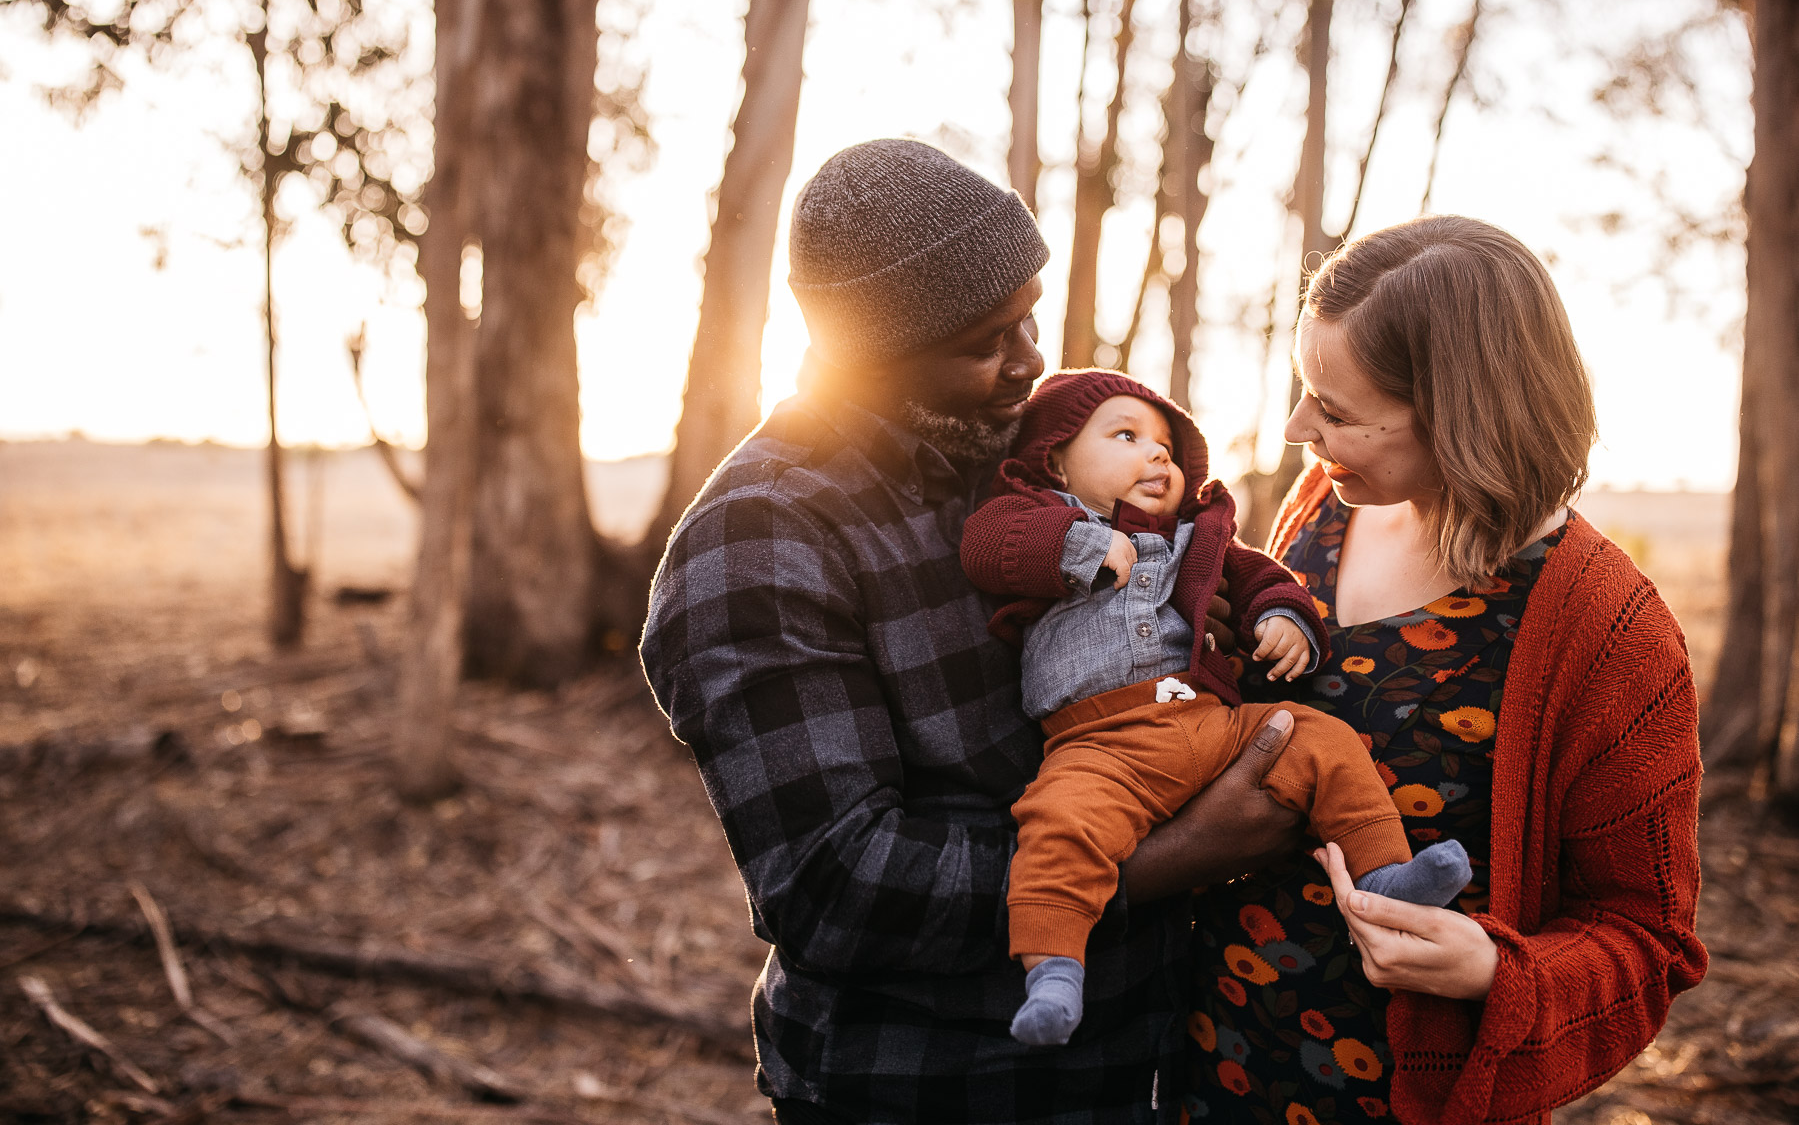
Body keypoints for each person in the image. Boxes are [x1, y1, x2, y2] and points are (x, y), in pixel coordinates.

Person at [640, 139, 1286, 1124]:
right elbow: (840, 886)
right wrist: (1173, 852)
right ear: (868, 354)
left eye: (1026, 315)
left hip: (1141, 1058)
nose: (1029, 361)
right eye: (983, 341)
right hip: (939, 1086)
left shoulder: (1029, 459)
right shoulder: (763, 540)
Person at [1127, 216, 1708, 1125]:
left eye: (1337, 410)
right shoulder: (1323, 506)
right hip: (1210, 1061)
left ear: (1463, 415)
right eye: (1305, 391)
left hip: (1403, 1099)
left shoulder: (1610, 634)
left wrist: (1494, 971)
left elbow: (1648, 941)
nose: (1295, 428)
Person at [958, 369, 1473, 1048]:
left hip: (1209, 725)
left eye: (1167, 447)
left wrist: (1285, 615)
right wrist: (1075, 543)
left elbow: (1259, 575)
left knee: (1318, 740)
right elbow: (987, 548)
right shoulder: (1031, 515)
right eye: (1126, 436)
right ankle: (1054, 970)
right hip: (1099, 748)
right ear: (1055, 457)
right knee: (1057, 827)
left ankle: (1383, 873)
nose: (1156, 455)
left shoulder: (1194, 537)